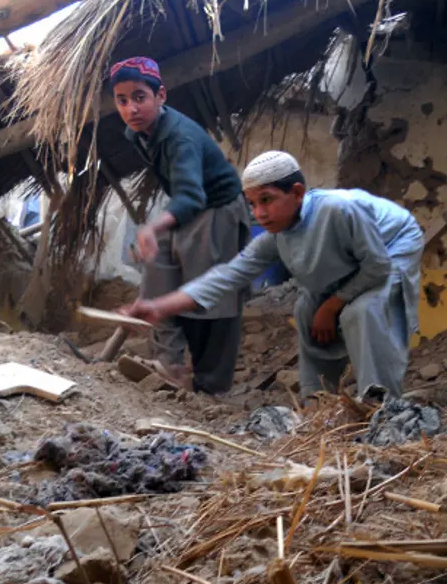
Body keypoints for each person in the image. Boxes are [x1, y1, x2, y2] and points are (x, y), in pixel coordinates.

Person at [120, 150, 424, 402]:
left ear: (297, 193)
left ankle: (380, 403)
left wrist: (332, 305)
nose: (259, 213)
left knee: (362, 310)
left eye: (266, 199)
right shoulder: (277, 235)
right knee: (306, 310)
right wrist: (160, 306)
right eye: (252, 203)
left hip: (392, 244)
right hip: (362, 257)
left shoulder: (337, 210)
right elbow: (228, 276)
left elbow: (377, 266)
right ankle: (318, 401)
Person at [110, 56, 250, 395]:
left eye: (140, 97)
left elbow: (191, 195)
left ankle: (211, 386)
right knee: (156, 279)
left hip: (218, 210)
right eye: (122, 100)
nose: (131, 109)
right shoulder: (137, 133)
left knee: (209, 299)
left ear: (161, 95)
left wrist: (152, 228)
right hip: (189, 209)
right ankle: (168, 367)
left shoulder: (180, 138)